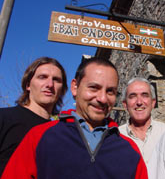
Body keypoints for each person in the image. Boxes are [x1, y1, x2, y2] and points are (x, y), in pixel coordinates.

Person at [1, 57, 148, 179]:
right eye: (94, 88)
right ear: (75, 88)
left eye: (110, 91)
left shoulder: (130, 149)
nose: (102, 98)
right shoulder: (40, 136)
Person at [0, 57, 67, 176]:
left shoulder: (61, 133)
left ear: (62, 90)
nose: (50, 84)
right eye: (42, 77)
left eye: (56, 80)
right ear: (28, 85)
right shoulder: (4, 118)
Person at [119, 77, 165, 166]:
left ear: (153, 102)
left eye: (145, 95)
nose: (139, 102)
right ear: (125, 104)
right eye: (132, 96)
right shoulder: (116, 138)